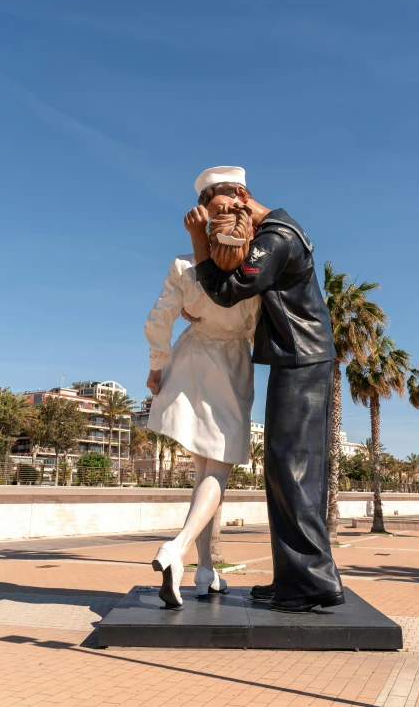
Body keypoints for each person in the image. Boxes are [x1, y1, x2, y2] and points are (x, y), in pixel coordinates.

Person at [184, 165, 344, 613]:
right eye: (213, 221)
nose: (222, 226)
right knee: (282, 469)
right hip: (295, 358)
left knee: (293, 469)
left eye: (222, 212)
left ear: (241, 194)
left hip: (303, 359)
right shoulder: (274, 231)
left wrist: (199, 244)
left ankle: (312, 582)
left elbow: (232, 289)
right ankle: (293, 576)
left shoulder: (275, 237)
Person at [144, 201, 259, 608]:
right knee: (219, 469)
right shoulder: (253, 278)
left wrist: (158, 366)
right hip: (228, 367)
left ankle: (205, 570)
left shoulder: (183, 266)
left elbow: (158, 319)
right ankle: (177, 548)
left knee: (202, 474)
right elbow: (256, 333)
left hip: (189, 361)